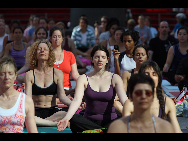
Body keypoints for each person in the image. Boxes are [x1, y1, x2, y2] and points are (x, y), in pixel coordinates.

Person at [57, 45, 128, 133]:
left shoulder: (115, 78)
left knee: (121, 121)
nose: (100, 60)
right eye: (97, 57)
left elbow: (124, 100)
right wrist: (66, 118)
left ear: (107, 60)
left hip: (110, 121)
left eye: (103, 57)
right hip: (89, 122)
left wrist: (135, 115)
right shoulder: (83, 78)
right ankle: (103, 131)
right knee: (74, 119)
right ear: (92, 59)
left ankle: (98, 131)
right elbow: (76, 100)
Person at [122, 60, 182, 133]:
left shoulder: (167, 103)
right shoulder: (130, 104)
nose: (150, 77)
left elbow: (177, 131)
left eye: (154, 74)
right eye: (146, 74)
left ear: (159, 78)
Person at [25, 39, 72, 126]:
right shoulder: (30, 74)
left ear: (50, 53)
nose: (42, 51)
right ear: (35, 54)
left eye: (45, 49)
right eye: (39, 49)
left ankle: (41, 123)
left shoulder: (58, 73)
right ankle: (51, 123)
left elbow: (62, 96)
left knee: (66, 114)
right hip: (35, 111)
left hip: (53, 111)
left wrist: (74, 105)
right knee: (25, 117)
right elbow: (28, 99)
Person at [107, 73, 175, 133]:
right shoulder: (116, 128)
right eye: (138, 93)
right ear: (130, 96)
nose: (143, 96)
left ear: (152, 97)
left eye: (147, 93)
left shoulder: (165, 128)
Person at [0, 56, 38, 133]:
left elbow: (32, 131)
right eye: (3, 74)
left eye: (10, 73)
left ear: (15, 75)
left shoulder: (26, 101)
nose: (7, 77)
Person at [114, 45, 148, 116]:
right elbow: (122, 92)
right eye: (137, 54)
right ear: (133, 57)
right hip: (131, 104)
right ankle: (132, 116)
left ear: (146, 57)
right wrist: (115, 98)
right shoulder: (127, 74)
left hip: (147, 103)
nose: (140, 57)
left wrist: (168, 98)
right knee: (115, 103)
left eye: (143, 54)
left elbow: (158, 90)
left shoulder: (151, 74)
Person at [50, 26, 80, 93]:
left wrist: (83, 81)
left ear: (62, 38)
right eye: (54, 36)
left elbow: (75, 74)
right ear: (50, 38)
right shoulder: (46, 55)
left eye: (59, 36)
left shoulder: (70, 55)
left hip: (67, 89)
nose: (57, 39)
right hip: (50, 90)